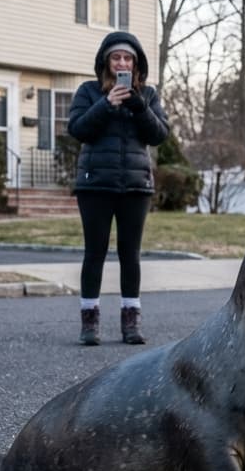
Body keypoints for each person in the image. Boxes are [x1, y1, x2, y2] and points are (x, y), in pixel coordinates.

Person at [67, 31, 169, 345]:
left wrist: (140, 107)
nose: (121, 62)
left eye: (127, 58)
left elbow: (159, 135)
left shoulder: (148, 95)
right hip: (95, 185)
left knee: (130, 254)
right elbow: (78, 129)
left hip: (136, 187)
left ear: (136, 64)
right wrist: (106, 105)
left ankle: (131, 323)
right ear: (106, 62)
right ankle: (89, 323)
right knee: (94, 253)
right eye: (116, 57)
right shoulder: (88, 91)